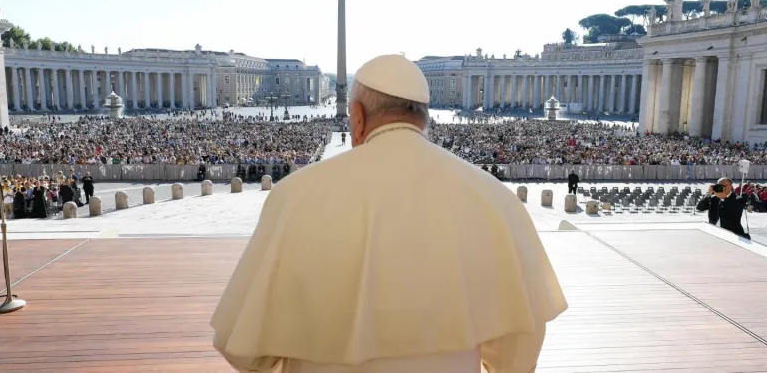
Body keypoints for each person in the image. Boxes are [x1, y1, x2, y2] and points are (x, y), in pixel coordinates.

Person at [211, 54, 567, 373]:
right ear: (425, 118)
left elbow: (242, 346)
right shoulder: (493, 197)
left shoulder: (294, 196)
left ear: (358, 116)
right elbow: (519, 348)